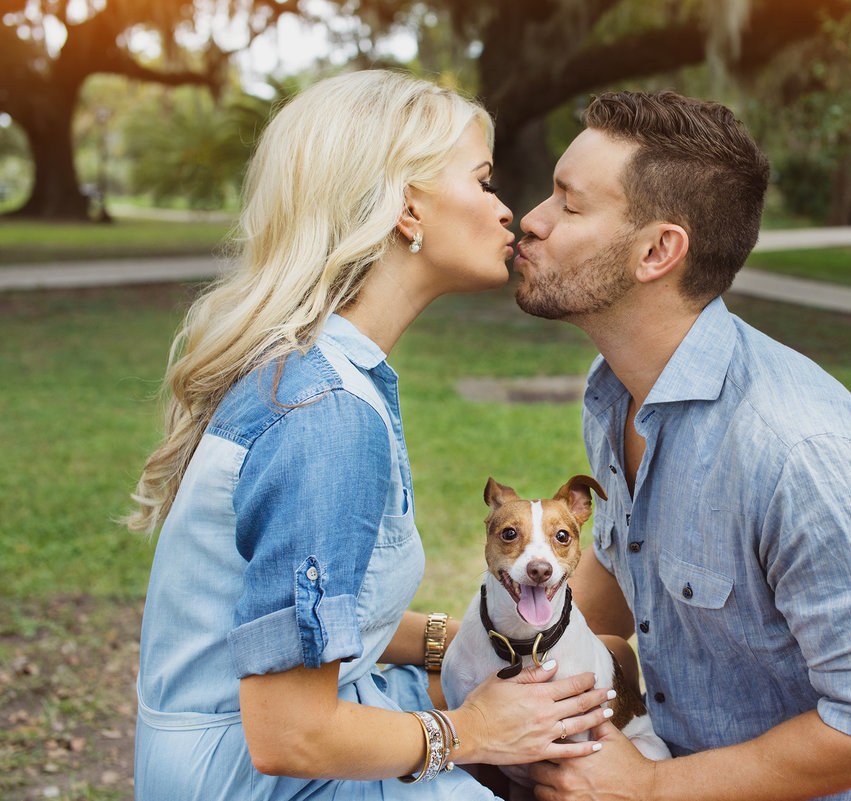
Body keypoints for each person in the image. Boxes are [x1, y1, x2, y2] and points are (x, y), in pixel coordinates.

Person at [125, 70, 614, 800]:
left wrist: (470, 636)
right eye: (483, 181)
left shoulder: (327, 373)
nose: (509, 210)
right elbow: (288, 732)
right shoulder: (326, 414)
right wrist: (475, 730)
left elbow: (307, 614)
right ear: (407, 207)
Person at [511, 91, 851, 801]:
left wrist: (652, 788)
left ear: (658, 250)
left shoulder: (799, 449)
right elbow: (621, 561)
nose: (530, 219)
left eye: (569, 204)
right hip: (690, 751)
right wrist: (502, 661)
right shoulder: (615, 387)